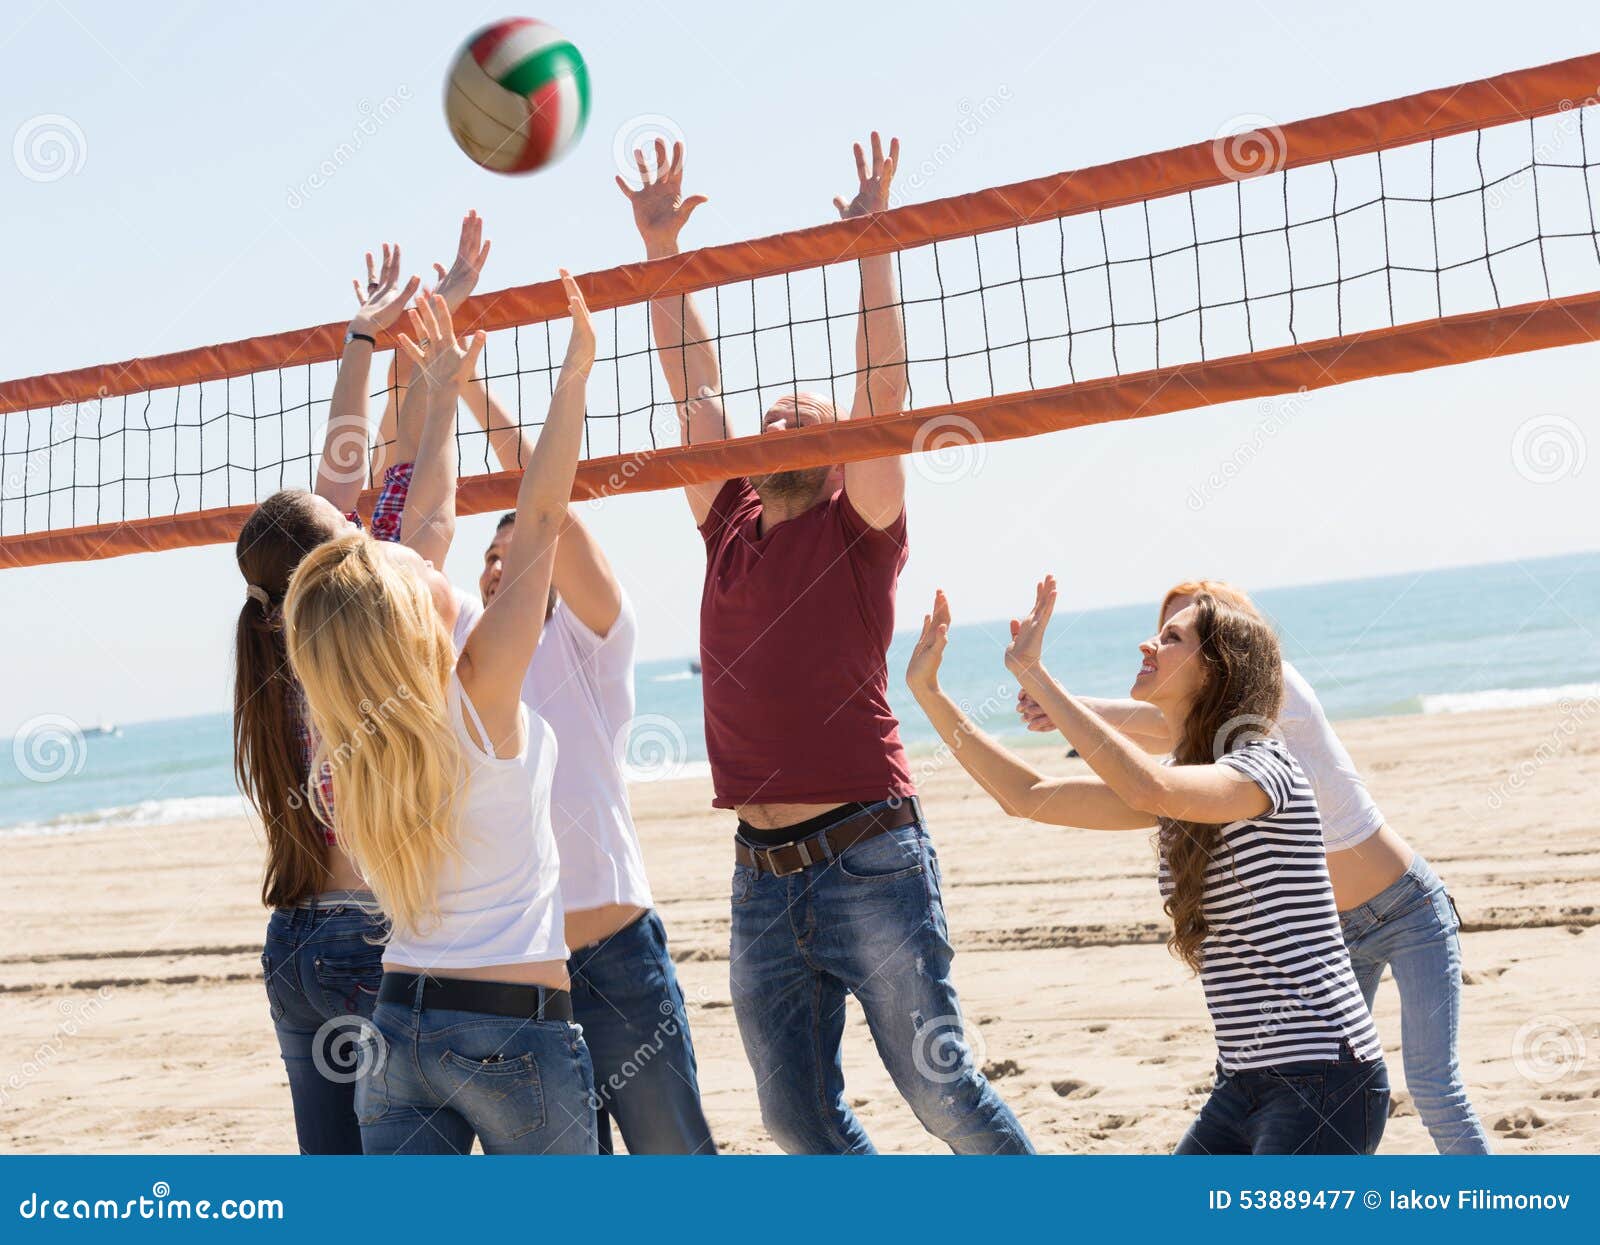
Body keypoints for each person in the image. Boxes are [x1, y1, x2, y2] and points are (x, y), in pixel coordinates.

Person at [620, 135, 1032, 1154]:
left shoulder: (858, 531)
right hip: (760, 874)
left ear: (840, 462)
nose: (784, 426)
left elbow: (879, 393)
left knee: (944, 1098)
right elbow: (693, 393)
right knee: (793, 1119)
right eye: (773, 422)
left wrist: (873, 244)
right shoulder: (725, 523)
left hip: (868, 856)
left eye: (809, 422)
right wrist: (661, 252)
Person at [908, 579, 1390, 1154]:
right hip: (1242, 1082)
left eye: (1171, 637)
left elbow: (1149, 785)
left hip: (1324, 1076)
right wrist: (929, 693)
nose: (1147, 645)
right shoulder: (1190, 783)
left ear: (1216, 670)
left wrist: (1035, 674)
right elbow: (1028, 794)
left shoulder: (1264, 769)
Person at [284, 278, 599, 1155]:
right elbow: (538, 516)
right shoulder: (480, 696)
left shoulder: (347, 735)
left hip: (399, 1031)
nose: (429, 558)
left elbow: (428, 520)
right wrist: (574, 375)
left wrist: (440, 395)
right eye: (415, 569)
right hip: (512, 1031)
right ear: (406, 614)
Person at [1016, 578, 1490, 1154]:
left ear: (1230, 642)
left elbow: (1162, 732)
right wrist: (1059, 705)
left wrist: (1061, 701)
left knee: (1433, 1088)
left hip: (1406, 908)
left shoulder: (1273, 692)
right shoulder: (1217, 744)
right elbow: (1170, 733)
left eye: (1179, 629)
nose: (1157, 643)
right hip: (1333, 935)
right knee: (1325, 1073)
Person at [235, 220, 486, 1154]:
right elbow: (428, 502)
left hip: (294, 941)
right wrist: (437, 369)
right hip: (361, 942)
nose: (346, 500)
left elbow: (349, 469)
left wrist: (368, 337)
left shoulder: (274, 625)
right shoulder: (375, 613)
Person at [465, 386, 716, 1155]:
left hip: (616, 962)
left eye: (514, 555)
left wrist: (476, 398)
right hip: (519, 976)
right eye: (486, 559)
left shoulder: (591, 643)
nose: (494, 568)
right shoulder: (466, 671)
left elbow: (555, 511)